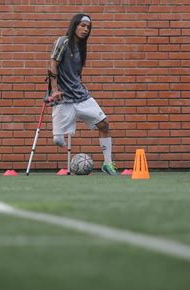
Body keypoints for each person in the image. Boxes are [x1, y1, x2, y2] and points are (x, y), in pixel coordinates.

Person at [48, 13, 117, 175]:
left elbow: (76, 74)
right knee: (58, 140)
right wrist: (55, 90)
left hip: (82, 96)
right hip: (63, 99)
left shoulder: (81, 48)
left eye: (88, 27)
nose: (85, 29)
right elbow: (52, 66)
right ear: (74, 26)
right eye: (82, 25)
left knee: (104, 124)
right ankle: (75, 160)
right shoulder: (62, 42)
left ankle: (107, 164)